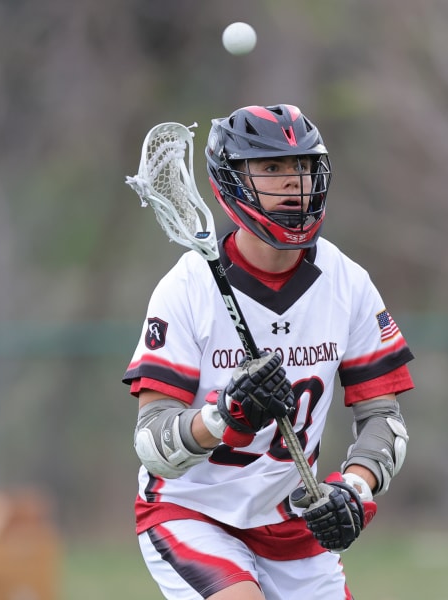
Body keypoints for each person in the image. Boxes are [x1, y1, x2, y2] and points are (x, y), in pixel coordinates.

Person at [123, 104, 416, 599]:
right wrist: (223, 416)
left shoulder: (347, 283)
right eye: (272, 166)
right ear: (232, 179)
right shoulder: (187, 287)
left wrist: (354, 488)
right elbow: (153, 445)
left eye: (302, 166)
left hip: (291, 523)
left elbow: (384, 419)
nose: (292, 182)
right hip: (193, 511)